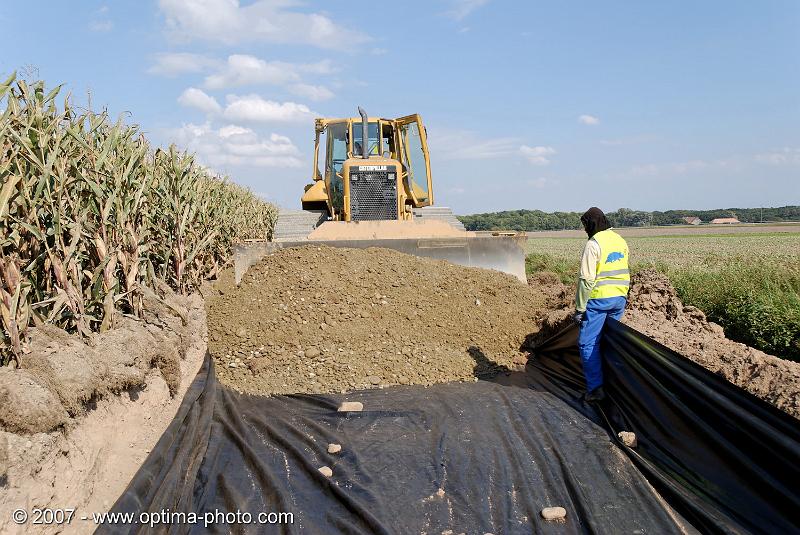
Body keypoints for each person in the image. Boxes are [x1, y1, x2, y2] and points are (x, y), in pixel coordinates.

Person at [574, 207, 630, 402]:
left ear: (591, 223)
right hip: (620, 299)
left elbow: (586, 280)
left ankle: (596, 388)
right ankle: (615, 384)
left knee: (587, 342)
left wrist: (580, 309)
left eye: (585, 225)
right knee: (609, 339)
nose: (584, 229)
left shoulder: (593, 244)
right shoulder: (619, 240)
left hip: (599, 301)